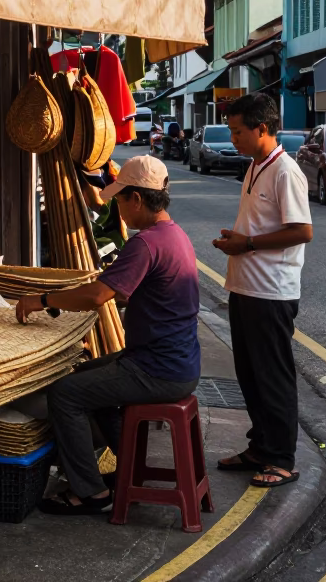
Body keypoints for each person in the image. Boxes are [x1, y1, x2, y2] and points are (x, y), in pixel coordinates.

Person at [17, 155, 200, 515]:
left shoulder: (145, 243)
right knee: (84, 375)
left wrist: (42, 300)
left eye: (118, 199)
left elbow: (99, 295)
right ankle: (129, 466)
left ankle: (89, 493)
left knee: (64, 393)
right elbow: (128, 294)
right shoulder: (174, 235)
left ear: (136, 199)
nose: (117, 207)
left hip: (158, 368)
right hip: (175, 360)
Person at [211, 94, 313, 488]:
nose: (232, 138)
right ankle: (260, 445)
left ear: (263, 129)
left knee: (273, 377)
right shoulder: (256, 166)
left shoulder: (285, 171)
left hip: (271, 291)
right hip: (246, 286)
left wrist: (247, 245)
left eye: (238, 131)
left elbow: (302, 231)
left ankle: (282, 458)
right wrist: (239, 240)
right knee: (250, 376)